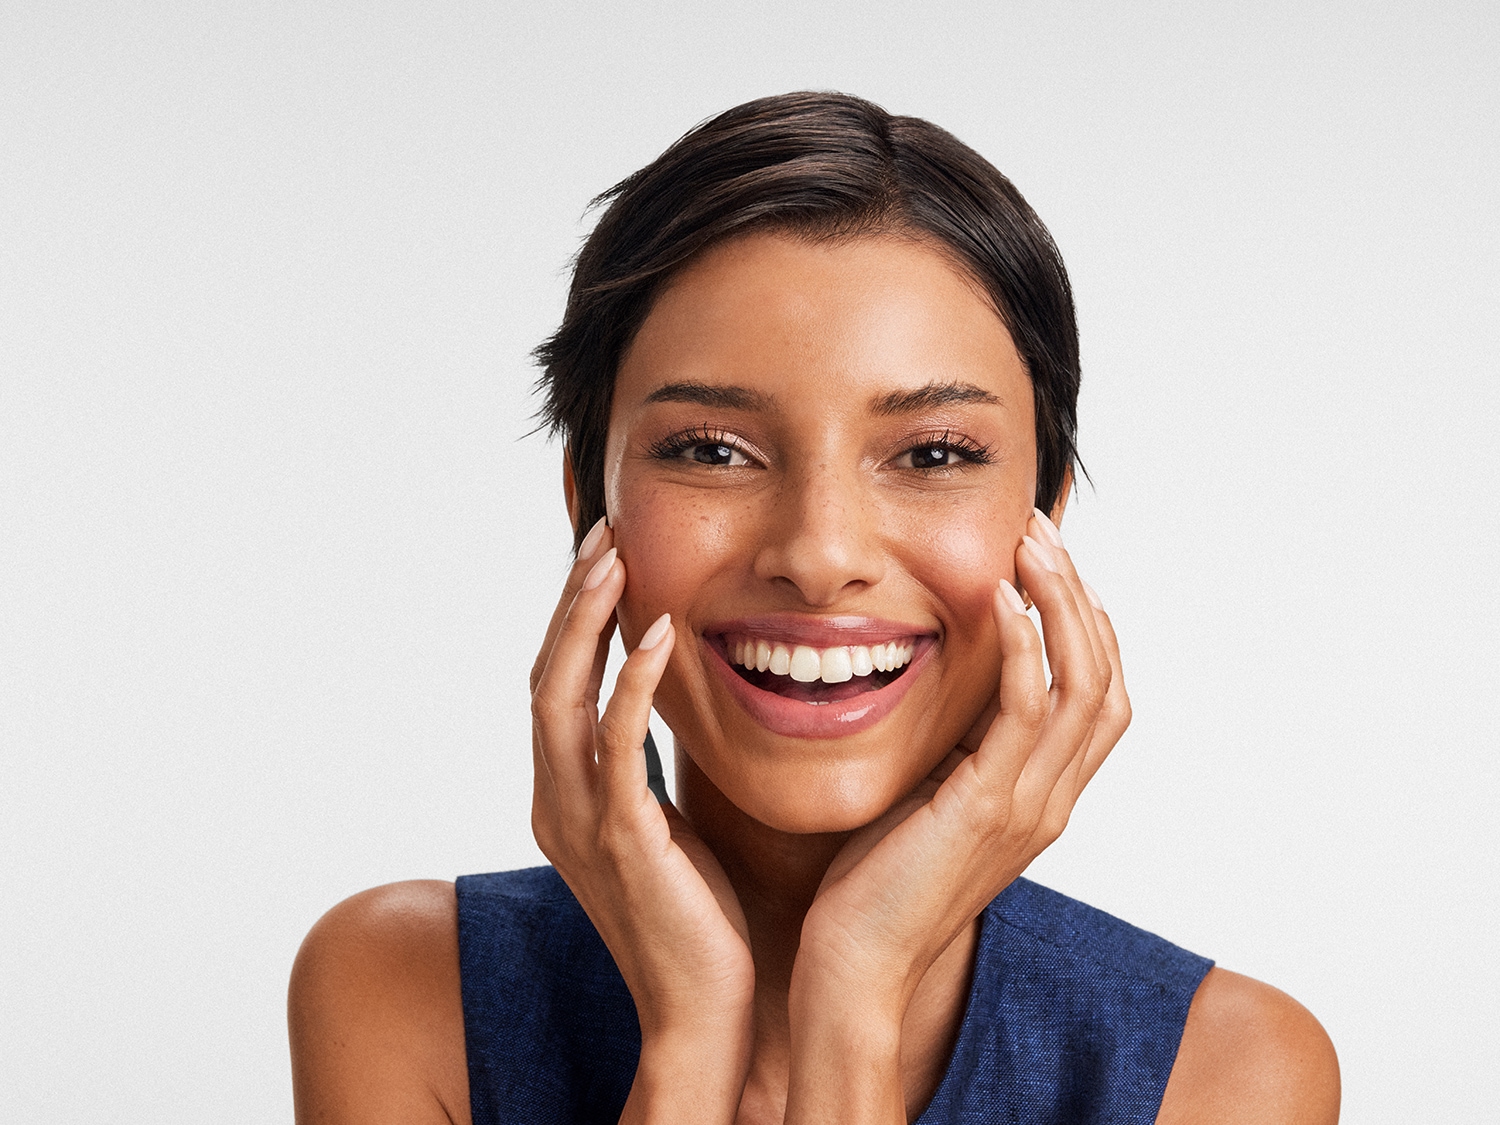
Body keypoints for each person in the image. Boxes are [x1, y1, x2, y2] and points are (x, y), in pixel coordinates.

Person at [287, 92, 1340, 1124]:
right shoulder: (406, 994)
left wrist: (859, 992)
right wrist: (692, 1040)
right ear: (588, 505)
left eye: (933, 454)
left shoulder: (1224, 1074)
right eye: (710, 451)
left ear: (1043, 521)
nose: (819, 554)